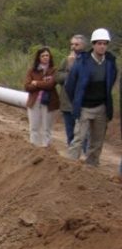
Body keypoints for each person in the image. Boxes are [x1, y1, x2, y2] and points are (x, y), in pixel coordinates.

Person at [66, 28, 118, 167]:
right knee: (78, 139)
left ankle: (92, 168)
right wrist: (77, 102)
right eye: (99, 43)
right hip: (84, 107)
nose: (102, 46)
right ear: (93, 44)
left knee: (97, 141)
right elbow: (70, 85)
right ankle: (69, 169)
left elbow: (111, 82)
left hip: (101, 106)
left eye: (105, 43)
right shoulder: (82, 62)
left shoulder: (110, 62)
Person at [55, 34, 88, 147]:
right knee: (70, 134)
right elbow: (58, 77)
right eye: (72, 44)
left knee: (83, 135)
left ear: (83, 46)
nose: (73, 47)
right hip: (67, 103)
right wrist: (69, 68)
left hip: (83, 104)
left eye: (76, 44)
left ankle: (85, 159)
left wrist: (72, 67)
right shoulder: (66, 60)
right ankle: (72, 162)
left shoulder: (88, 60)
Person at [24, 47, 59, 147]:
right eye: (43, 55)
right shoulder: (32, 71)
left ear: (50, 57)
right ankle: (34, 147)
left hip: (49, 102)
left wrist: (36, 83)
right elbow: (27, 86)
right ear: (38, 57)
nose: (45, 57)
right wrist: (43, 83)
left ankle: (45, 148)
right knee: (34, 127)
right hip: (34, 102)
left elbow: (50, 85)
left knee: (46, 128)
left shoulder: (54, 70)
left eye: (47, 55)